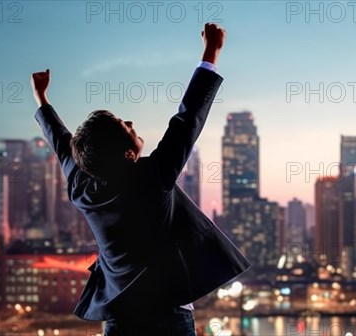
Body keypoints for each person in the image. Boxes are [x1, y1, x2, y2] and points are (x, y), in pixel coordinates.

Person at [31, 23, 250, 336]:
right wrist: (211, 52)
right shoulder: (151, 179)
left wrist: (42, 100)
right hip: (167, 317)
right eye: (124, 125)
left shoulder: (83, 188)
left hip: (118, 319)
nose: (131, 123)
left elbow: (63, 146)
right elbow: (187, 120)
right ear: (127, 154)